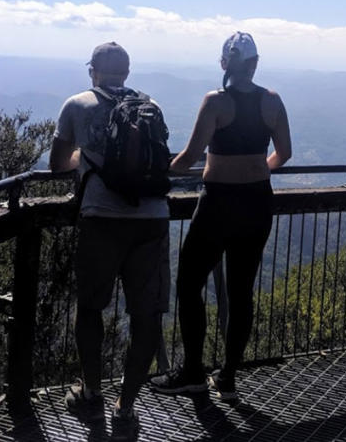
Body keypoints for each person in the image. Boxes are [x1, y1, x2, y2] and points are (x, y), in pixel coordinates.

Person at [150, 32, 292, 401]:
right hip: (258, 203)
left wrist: (159, 170)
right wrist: (256, 169)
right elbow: (285, 153)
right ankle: (227, 377)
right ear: (256, 63)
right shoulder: (272, 101)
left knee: (189, 285)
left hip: (218, 205)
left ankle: (193, 371)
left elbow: (190, 155)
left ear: (225, 63)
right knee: (241, 291)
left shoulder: (216, 101)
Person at [50, 42, 171, 441]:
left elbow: (56, 164)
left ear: (93, 71)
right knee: (146, 315)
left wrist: (86, 159)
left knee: (90, 309)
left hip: (102, 219)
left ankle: (91, 391)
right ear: (128, 71)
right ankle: (127, 407)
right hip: (152, 219)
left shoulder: (77, 104)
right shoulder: (150, 104)